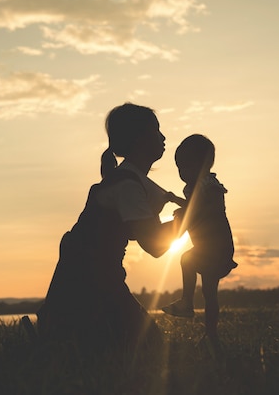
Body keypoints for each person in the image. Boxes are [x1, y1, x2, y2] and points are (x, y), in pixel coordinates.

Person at [37, 103, 181, 353]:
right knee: (148, 347)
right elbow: (155, 245)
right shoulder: (127, 186)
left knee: (143, 343)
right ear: (139, 139)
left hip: (90, 281)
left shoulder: (129, 181)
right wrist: (190, 219)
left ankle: (56, 333)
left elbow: (139, 232)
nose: (163, 137)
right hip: (89, 286)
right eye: (156, 130)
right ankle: (58, 334)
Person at [161, 134, 238, 349]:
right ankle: (211, 335)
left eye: (186, 167)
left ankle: (186, 302)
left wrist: (184, 209)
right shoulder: (194, 187)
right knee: (209, 293)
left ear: (201, 165)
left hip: (217, 246)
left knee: (186, 259)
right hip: (207, 247)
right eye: (179, 168)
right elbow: (193, 208)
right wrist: (177, 202)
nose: (182, 173)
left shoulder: (209, 184)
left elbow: (207, 207)